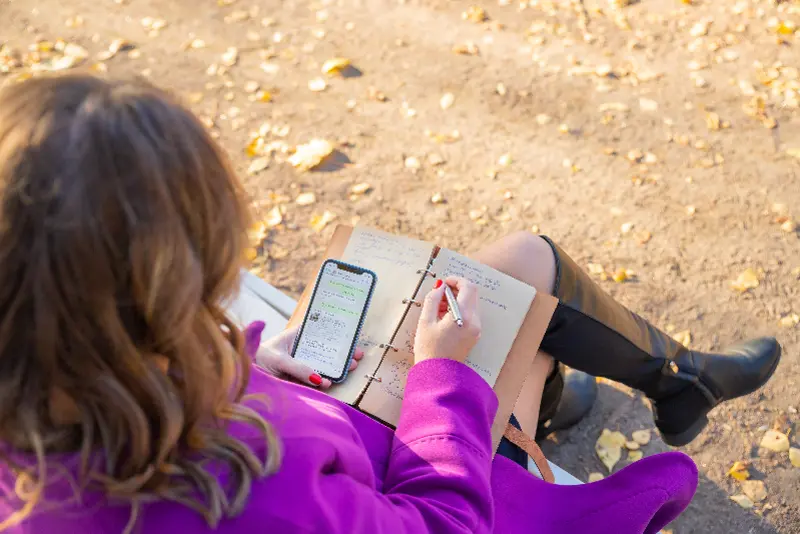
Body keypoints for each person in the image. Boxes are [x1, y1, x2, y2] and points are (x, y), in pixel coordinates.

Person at [0, 74, 779, 533]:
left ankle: (596, 394)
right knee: (524, 273)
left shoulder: (37, 432)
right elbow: (443, 524)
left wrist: (244, 363)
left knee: (518, 319)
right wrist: (443, 382)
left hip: (334, 434)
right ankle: (663, 387)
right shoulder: (248, 489)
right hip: (415, 477)